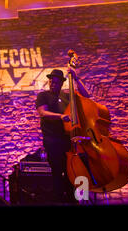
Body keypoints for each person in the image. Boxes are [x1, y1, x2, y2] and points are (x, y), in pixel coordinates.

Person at [35, 67, 90, 204]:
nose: (53, 84)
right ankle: (59, 200)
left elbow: (86, 96)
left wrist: (76, 78)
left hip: (67, 139)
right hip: (52, 140)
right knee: (57, 171)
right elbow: (43, 113)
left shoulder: (66, 95)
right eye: (51, 82)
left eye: (56, 82)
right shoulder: (43, 96)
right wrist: (61, 116)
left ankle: (73, 200)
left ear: (61, 83)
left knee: (71, 171)